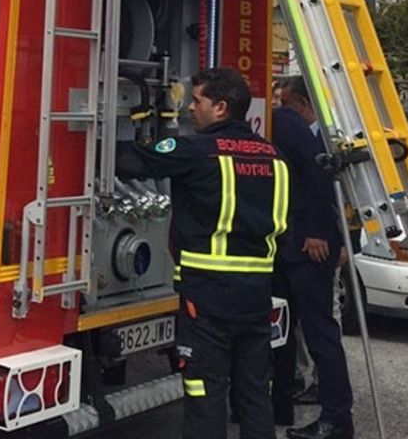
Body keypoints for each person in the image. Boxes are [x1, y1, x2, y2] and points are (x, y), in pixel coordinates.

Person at [117, 67, 289, 439]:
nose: (190, 109)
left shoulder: (198, 151)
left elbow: (134, 161)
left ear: (221, 108)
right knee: (254, 392)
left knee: (205, 392)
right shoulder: (274, 157)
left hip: (207, 299)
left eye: (198, 101)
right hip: (257, 296)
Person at [270, 77, 354, 439]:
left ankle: (336, 418)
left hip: (308, 246)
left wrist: (319, 233)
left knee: (319, 333)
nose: (277, 106)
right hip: (291, 243)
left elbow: (321, 176)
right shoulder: (304, 129)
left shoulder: (298, 128)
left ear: (303, 105)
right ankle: (281, 403)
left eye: (284, 101)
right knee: (283, 329)